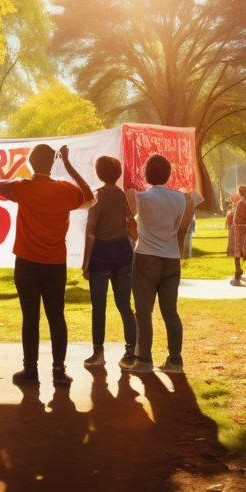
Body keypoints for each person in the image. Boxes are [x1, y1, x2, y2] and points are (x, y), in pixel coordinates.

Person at [0, 143, 92, 388]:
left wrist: (19, 167)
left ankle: (31, 370)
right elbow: (89, 197)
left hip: (27, 263)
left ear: (31, 163)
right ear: (53, 163)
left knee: (30, 318)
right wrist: (68, 164)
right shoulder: (65, 189)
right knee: (56, 317)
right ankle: (59, 372)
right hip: (55, 264)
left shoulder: (22, 187)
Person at [126, 154, 197, 376]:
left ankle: (144, 359)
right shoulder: (182, 199)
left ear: (147, 173)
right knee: (170, 311)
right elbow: (182, 229)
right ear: (168, 174)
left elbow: (129, 215)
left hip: (146, 256)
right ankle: (175, 359)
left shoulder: (140, 197)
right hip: (171, 258)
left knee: (143, 312)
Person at [80, 155, 136, 370]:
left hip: (101, 255)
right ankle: (131, 352)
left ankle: (98, 353)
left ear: (99, 173)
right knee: (124, 305)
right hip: (122, 253)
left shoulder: (98, 196)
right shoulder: (121, 195)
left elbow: (91, 231)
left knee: (99, 307)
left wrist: (86, 262)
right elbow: (131, 221)